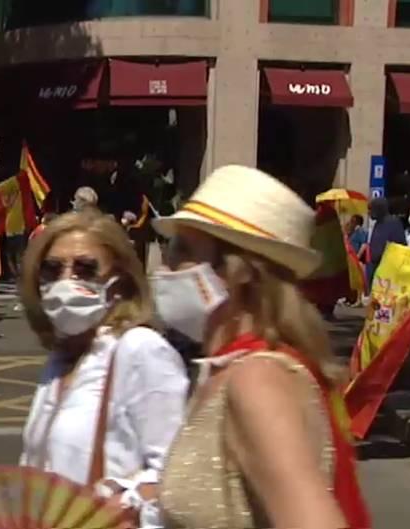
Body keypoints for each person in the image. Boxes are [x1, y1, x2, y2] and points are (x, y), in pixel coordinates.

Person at [152, 165, 370, 529]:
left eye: (182, 248)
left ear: (238, 272)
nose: (166, 264)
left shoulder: (256, 381)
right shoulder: (233, 369)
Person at [19, 209, 188, 528]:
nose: (66, 280)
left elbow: (176, 476)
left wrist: (124, 499)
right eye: (52, 269)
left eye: (85, 268)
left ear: (119, 284)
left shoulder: (139, 349)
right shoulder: (60, 360)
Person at [367, 197, 406, 288]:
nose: (368, 213)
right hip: (377, 268)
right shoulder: (378, 224)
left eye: (370, 209)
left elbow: (399, 247)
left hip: (388, 270)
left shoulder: (393, 223)